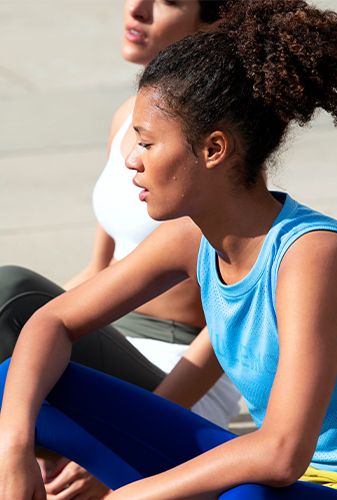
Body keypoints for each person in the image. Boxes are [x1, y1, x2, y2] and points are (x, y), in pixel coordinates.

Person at [1, 0, 337, 498]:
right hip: (278, 475)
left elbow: (281, 454)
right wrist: (13, 448)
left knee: (249, 494)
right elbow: (53, 321)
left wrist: (130, 494)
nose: (132, 160)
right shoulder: (190, 236)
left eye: (148, 143)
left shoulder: (312, 257)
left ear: (213, 150)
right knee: (20, 382)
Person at [0, 1, 241, 498]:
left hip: (180, 370)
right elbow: (98, 270)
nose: (137, 8)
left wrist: (123, 441)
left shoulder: (218, 148)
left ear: (211, 21)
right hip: (107, 333)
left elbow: (229, 331)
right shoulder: (127, 121)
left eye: (168, 0)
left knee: (9, 294)